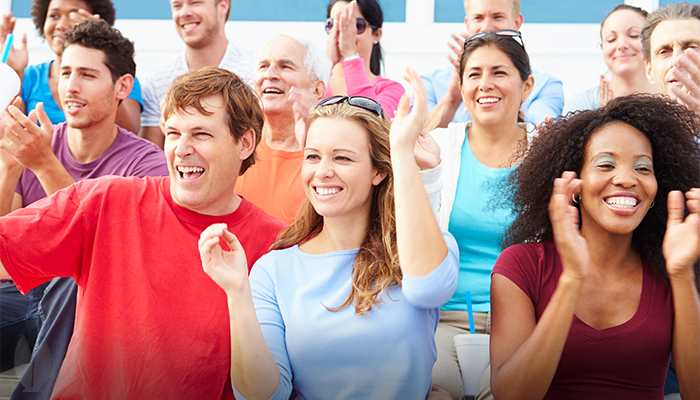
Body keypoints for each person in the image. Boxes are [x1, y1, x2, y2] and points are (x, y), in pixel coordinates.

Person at [0, 67, 286, 399]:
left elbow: (269, 388)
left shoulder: (275, 245)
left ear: (245, 143)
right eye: (174, 133)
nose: (181, 149)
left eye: (201, 134)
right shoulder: (105, 200)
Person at [198, 68, 459, 399]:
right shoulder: (272, 271)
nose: (322, 171)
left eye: (342, 157)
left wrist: (403, 156)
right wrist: (237, 293)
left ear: (380, 170)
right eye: (312, 156)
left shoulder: (420, 252)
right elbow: (263, 395)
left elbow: (429, 287)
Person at [490, 94, 700, 399]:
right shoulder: (521, 266)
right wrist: (572, 278)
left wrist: (681, 275)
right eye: (606, 164)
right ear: (576, 184)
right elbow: (511, 395)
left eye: (643, 168)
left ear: (657, 190)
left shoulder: (671, 270)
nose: (626, 179)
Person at [0, 20, 167, 393]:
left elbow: (103, 256)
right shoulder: (36, 142)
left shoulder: (148, 165)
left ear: (122, 86)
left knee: (71, 284)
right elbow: (4, 240)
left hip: (87, 304)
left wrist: (44, 165)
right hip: (19, 291)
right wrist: (8, 170)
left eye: (88, 75)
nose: (70, 87)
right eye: (65, 72)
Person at [419, 30, 534, 400]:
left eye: (499, 73)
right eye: (474, 74)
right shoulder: (438, 147)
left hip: (520, 320)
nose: (485, 84)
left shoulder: (547, 152)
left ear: (526, 85)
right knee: (439, 393)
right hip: (444, 319)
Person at [0, 0, 142, 134]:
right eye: (54, 15)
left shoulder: (121, 78)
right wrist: (15, 72)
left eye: (74, 15)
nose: (61, 25)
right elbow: (12, 135)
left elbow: (128, 134)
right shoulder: (29, 76)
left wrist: (102, 40)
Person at [421, 0, 563, 130]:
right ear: (467, 23)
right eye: (478, 18)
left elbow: (545, 134)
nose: (487, 27)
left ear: (516, 22)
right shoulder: (430, 83)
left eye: (497, 17)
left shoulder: (547, 85)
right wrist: (452, 99)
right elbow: (417, 142)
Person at [235, 35, 329, 224]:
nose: (269, 75)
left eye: (285, 66)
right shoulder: (235, 147)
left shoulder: (330, 161)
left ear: (317, 90)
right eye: (263, 66)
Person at [140, 0, 255, 149]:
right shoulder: (156, 80)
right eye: (177, 6)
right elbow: (154, 158)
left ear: (222, 6)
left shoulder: (254, 73)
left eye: (195, 3)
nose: (184, 13)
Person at [563, 5, 657, 114]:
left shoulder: (673, 98)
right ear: (602, 47)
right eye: (611, 39)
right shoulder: (582, 104)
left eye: (634, 35)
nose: (621, 45)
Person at [324, 0, 404, 118]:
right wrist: (326, 64)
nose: (344, 33)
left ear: (376, 34)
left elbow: (373, 124)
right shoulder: (316, 82)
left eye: (355, 25)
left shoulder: (391, 90)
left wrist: (351, 56)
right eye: (334, 25)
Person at [642, 2, 700, 116]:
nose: (677, 61)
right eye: (664, 52)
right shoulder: (632, 131)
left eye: (692, 48)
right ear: (649, 70)